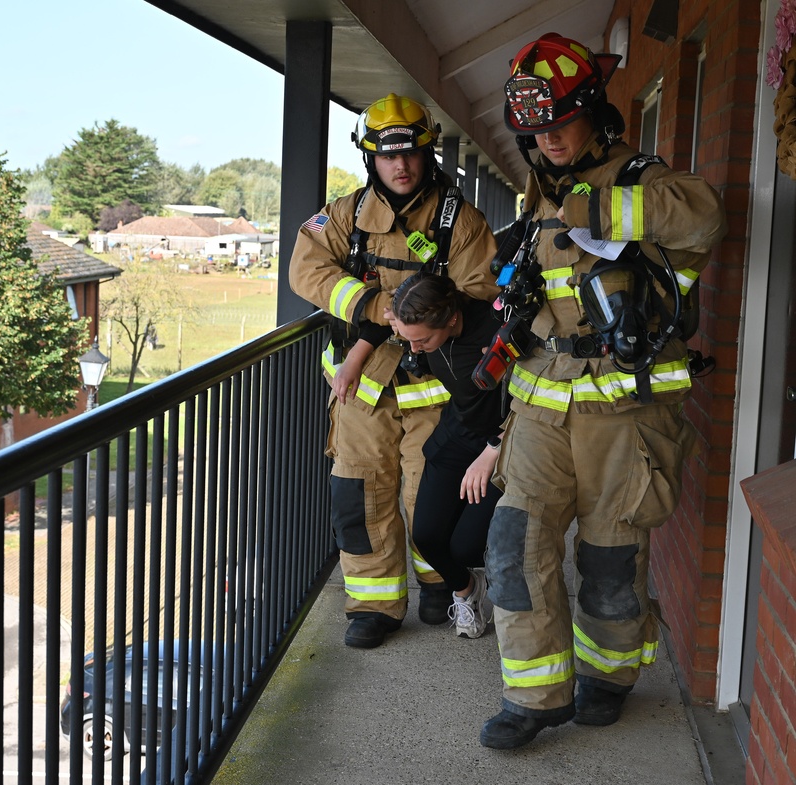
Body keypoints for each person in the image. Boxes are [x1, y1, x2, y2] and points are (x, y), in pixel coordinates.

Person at [478, 33, 727, 749]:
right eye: (536, 129)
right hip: (540, 406)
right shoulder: (540, 190)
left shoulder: (638, 179)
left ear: (593, 111)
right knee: (513, 542)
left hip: (625, 411)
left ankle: (610, 675)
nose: (548, 138)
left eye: (560, 122)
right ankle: (533, 695)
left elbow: (705, 214)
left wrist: (594, 212)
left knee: (610, 557)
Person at [289, 93, 499, 649]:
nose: (400, 166)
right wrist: (370, 304)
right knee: (361, 497)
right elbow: (306, 268)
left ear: (427, 152)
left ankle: (438, 585)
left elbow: (479, 293)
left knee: (428, 493)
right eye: (386, 155)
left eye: (410, 154)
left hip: (433, 389)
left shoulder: (462, 221)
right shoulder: (344, 216)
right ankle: (374, 605)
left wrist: (415, 309)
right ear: (370, 158)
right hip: (360, 392)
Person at [386, 271, 506, 639]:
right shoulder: (420, 333)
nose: (415, 350)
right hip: (457, 433)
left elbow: (530, 399)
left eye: (421, 340)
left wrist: (494, 450)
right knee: (426, 536)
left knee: (466, 546)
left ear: (450, 318)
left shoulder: (495, 329)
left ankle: (482, 577)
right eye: (408, 340)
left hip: (504, 440)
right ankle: (467, 591)